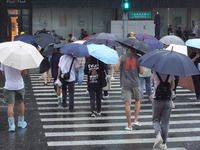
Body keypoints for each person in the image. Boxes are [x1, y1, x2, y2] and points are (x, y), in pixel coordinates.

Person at [115, 47, 144, 130]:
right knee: (138, 100)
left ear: (127, 48)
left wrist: (123, 68)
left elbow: (116, 69)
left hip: (125, 82)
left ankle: (129, 125)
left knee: (127, 104)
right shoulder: (139, 58)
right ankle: (135, 120)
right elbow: (141, 72)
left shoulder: (122, 57)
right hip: (136, 83)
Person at [151, 71, 175, 149]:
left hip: (157, 99)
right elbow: (172, 86)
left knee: (156, 119)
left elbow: (153, 83)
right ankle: (164, 143)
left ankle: (158, 135)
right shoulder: (170, 73)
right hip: (167, 99)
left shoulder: (154, 72)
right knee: (165, 122)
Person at [1, 64, 27, 132]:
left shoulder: (4, 61)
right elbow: (24, 73)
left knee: (10, 104)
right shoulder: (20, 60)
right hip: (19, 85)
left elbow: (3, 73)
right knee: (20, 102)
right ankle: (21, 122)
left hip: (9, 86)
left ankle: (12, 125)